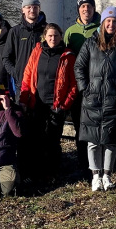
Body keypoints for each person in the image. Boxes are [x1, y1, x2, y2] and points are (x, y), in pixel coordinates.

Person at [74, 7, 116, 191]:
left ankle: (107, 175)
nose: (111, 24)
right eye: (108, 21)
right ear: (102, 23)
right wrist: (85, 88)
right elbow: (79, 66)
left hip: (113, 99)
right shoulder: (90, 43)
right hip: (92, 99)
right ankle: (95, 176)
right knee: (93, 141)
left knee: (111, 140)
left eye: (115, 21)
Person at [19, 23, 77, 186]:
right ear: (44, 36)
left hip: (56, 105)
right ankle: (36, 172)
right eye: (50, 35)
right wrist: (24, 100)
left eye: (56, 35)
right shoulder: (37, 52)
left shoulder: (67, 55)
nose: (53, 39)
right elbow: (27, 75)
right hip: (36, 103)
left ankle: (51, 173)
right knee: (36, 139)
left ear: (61, 36)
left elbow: (73, 84)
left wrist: (65, 105)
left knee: (52, 141)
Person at [64, 0, 101, 172]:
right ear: (78, 10)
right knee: (80, 125)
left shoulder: (100, 29)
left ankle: (98, 163)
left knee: (96, 124)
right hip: (78, 85)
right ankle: (82, 162)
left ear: (94, 9)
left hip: (97, 84)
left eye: (89, 6)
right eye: (83, 7)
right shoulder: (71, 31)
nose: (86, 10)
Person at [3, 0, 47, 93]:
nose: (32, 10)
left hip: (43, 83)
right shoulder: (15, 31)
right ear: (23, 10)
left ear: (39, 9)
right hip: (22, 84)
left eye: (35, 7)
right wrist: (16, 73)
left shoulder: (47, 30)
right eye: (28, 7)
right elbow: (6, 57)